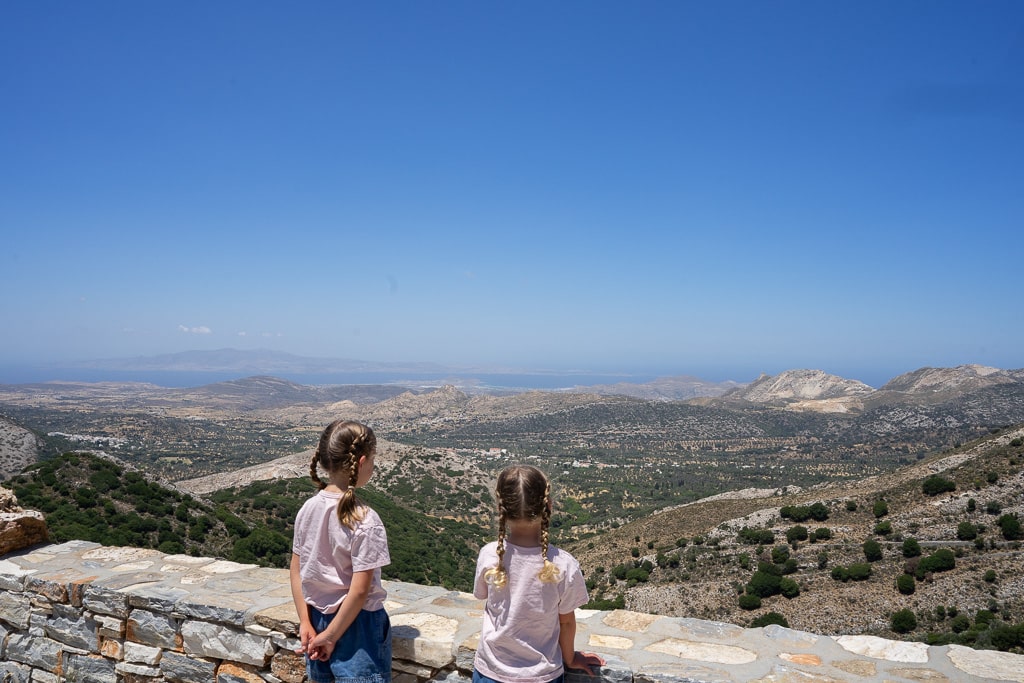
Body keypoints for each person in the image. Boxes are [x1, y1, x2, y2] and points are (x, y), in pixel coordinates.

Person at [473, 464, 606, 683]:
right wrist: (570, 658)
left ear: (501, 509)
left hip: (490, 672)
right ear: (549, 507)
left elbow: (483, 596)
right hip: (542, 675)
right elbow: (566, 622)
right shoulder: (564, 565)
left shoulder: (489, 555)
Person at [290, 419, 392, 683]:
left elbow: (296, 571)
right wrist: (332, 636)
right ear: (361, 463)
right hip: (359, 627)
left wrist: (306, 623)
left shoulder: (307, 509)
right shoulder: (365, 520)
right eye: (372, 460)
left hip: (315, 618)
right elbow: (359, 592)